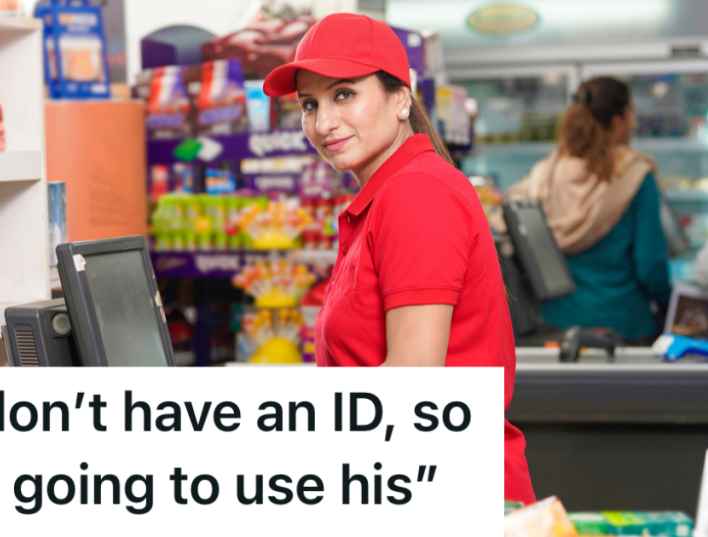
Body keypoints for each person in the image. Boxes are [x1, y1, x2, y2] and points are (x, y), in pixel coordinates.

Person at [262, 13, 535, 503]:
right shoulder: (390, 195)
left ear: (400, 97)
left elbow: (412, 390)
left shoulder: (417, 194)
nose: (323, 123)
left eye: (344, 94)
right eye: (310, 104)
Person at [506, 77, 671, 344]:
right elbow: (650, 265)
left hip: (557, 325)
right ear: (617, 121)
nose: (633, 123)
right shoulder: (635, 175)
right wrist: (669, 304)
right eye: (631, 115)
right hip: (624, 325)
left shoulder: (544, 173)